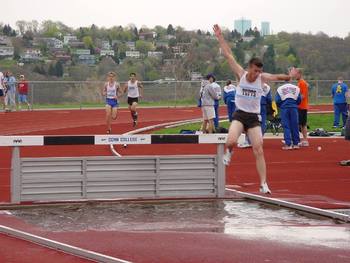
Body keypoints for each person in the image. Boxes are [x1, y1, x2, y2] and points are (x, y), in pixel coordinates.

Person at [213, 24, 296, 194]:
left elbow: (276, 77)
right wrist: (220, 36)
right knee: (231, 140)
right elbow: (228, 55)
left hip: (253, 117)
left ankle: (263, 183)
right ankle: (229, 152)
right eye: (256, 70)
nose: (258, 74)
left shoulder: (262, 78)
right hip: (239, 114)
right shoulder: (241, 74)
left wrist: (290, 76)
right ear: (250, 68)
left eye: (260, 71)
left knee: (259, 149)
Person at [275, 81, 301, 150]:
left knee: (286, 125)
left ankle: (288, 143)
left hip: (284, 108)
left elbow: (277, 100)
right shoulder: (296, 88)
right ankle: (296, 143)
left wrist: (281, 105)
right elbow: (299, 99)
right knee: (294, 125)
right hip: (294, 108)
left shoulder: (280, 88)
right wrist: (295, 104)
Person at [296, 69, 309, 146]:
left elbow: (303, 95)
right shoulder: (300, 83)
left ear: (300, 74)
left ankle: (305, 140)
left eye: (296, 74)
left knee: (302, 124)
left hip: (302, 106)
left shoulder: (302, 83)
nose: (295, 75)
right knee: (301, 124)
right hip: (300, 106)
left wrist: (295, 100)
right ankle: (304, 140)